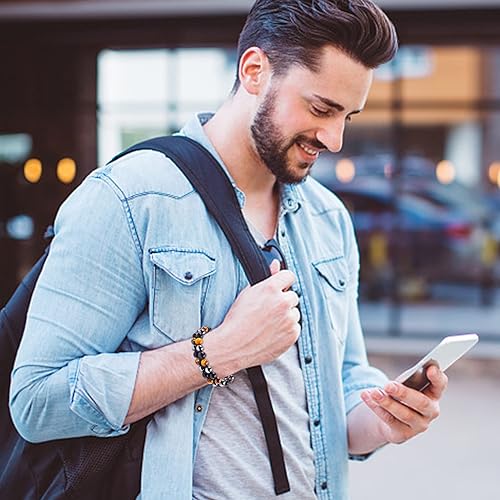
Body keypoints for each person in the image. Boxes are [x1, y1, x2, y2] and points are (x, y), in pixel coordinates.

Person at [10, 1, 448, 499]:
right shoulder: (129, 198)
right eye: (321, 108)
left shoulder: (327, 217)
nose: (335, 138)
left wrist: (386, 419)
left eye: (348, 115)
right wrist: (218, 351)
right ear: (255, 70)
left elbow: (339, 387)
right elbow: (37, 401)